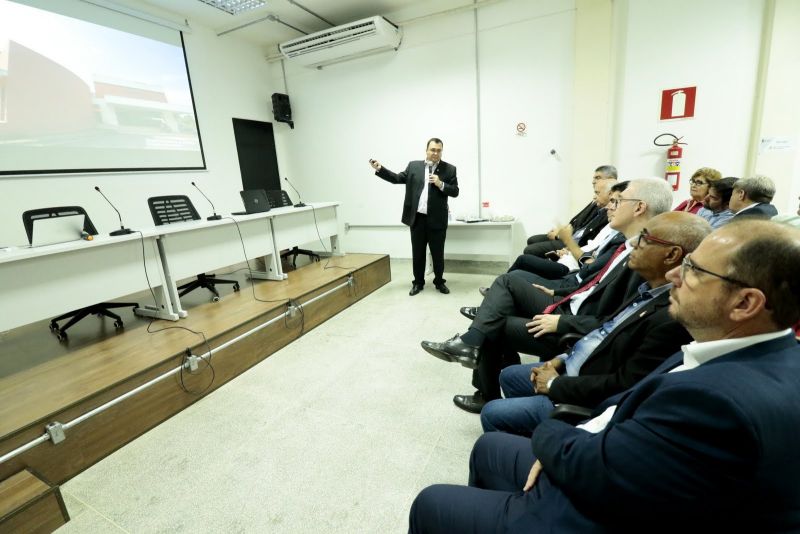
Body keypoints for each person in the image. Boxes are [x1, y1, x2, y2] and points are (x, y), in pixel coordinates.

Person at [409, 219, 800, 533]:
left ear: (745, 303)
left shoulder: (718, 403)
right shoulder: (746, 350)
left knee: (432, 501)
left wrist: (556, 436)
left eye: (695, 271)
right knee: (488, 447)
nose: (677, 278)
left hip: (598, 503)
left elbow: (604, 468)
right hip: (605, 451)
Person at [421, 178, 674, 413]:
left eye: (617, 201)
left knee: (497, 315)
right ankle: (477, 345)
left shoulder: (644, 260)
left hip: (574, 322)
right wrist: (557, 291)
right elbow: (591, 281)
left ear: (639, 207)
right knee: (505, 289)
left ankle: (479, 367)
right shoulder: (625, 244)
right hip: (570, 300)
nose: (610, 206)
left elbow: (615, 321)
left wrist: (562, 321)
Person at [479, 211, 710, 436]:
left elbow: (624, 385)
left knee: (492, 412)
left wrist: (554, 386)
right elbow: (605, 329)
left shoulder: (671, 316)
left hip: (587, 396)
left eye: (644, 238)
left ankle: (544, 448)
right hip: (576, 362)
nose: (634, 243)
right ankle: (531, 433)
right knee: (508, 375)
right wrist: (561, 360)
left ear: (671, 255)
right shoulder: (647, 289)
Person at [370, 138, 459, 295]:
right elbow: (397, 178)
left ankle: (439, 281)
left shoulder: (449, 169)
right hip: (417, 219)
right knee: (418, 253)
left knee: (438, 254)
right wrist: (380, 169)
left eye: (439, 150)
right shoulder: (414, 166)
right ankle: (418, 283)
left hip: (437, 220)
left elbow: (455, 191)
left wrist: (441, 184)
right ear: (426, 150)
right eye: (432, 149)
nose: (435, 153)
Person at [524, 165, 617, 257]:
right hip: (572, 237)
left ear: (610, 180)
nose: (593, 182)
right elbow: (579, 224)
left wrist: (560, 236)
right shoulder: (598, 201)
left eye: (598, 178)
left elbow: (588, 238)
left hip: (576, 244)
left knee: (530, 251)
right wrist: (561, 230)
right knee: (532, 240)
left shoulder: (609, 210)